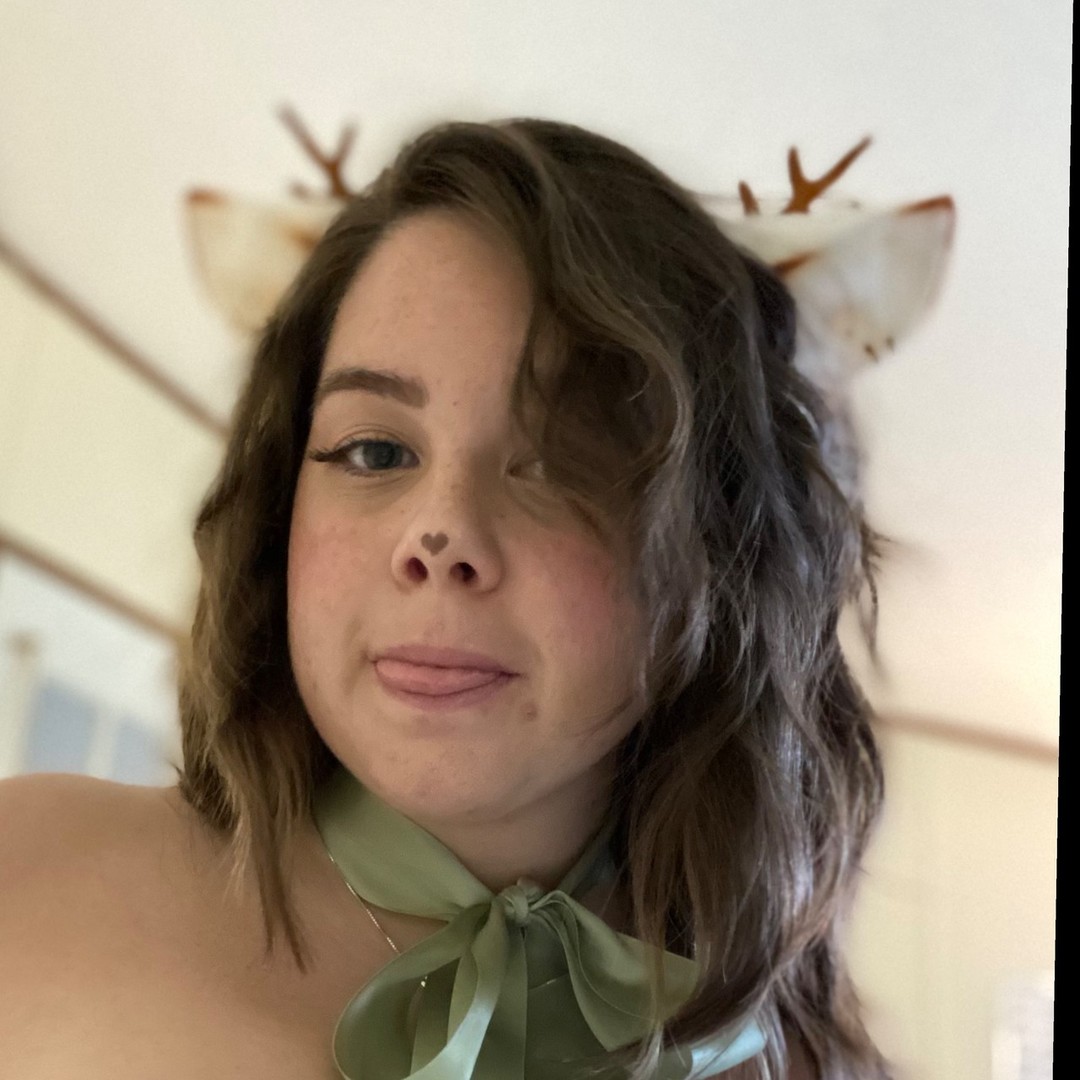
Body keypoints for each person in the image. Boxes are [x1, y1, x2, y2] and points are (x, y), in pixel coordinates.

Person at [0, 117, 889, 1079]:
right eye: (375, 451)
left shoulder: (792, 1058)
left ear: (721, 546)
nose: (441, 538)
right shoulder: (30, 881)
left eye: (562, 462)